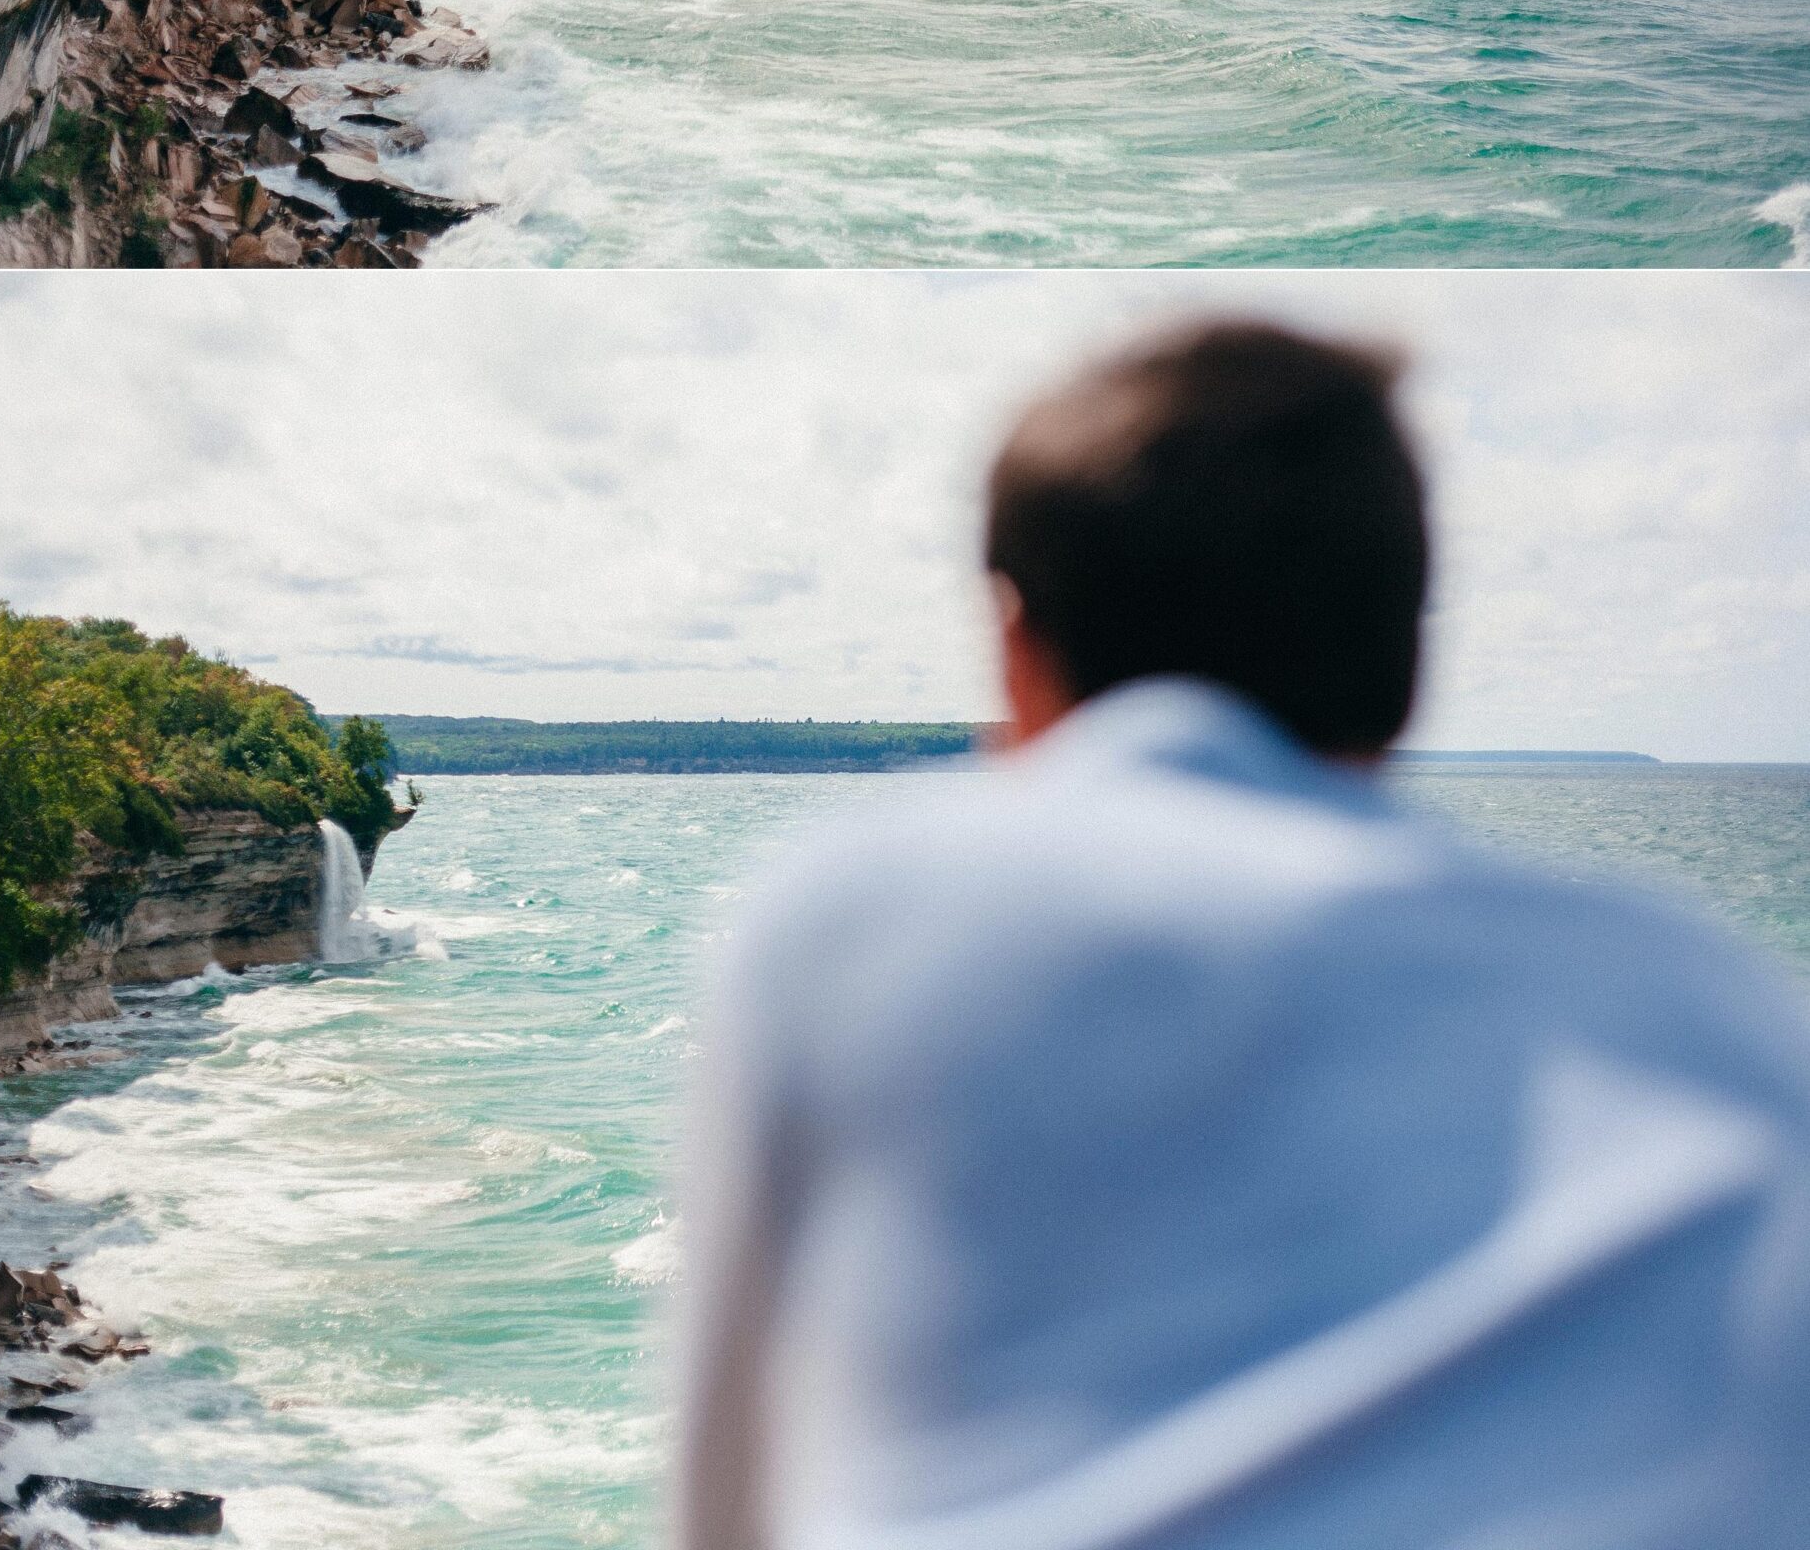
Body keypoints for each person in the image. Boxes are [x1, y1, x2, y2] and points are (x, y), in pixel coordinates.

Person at [672, 321, 1810, 1550]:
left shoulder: (851, 913)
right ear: (1406, 658)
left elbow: (730, 1498)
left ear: (1013, 644)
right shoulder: (1706, 993)